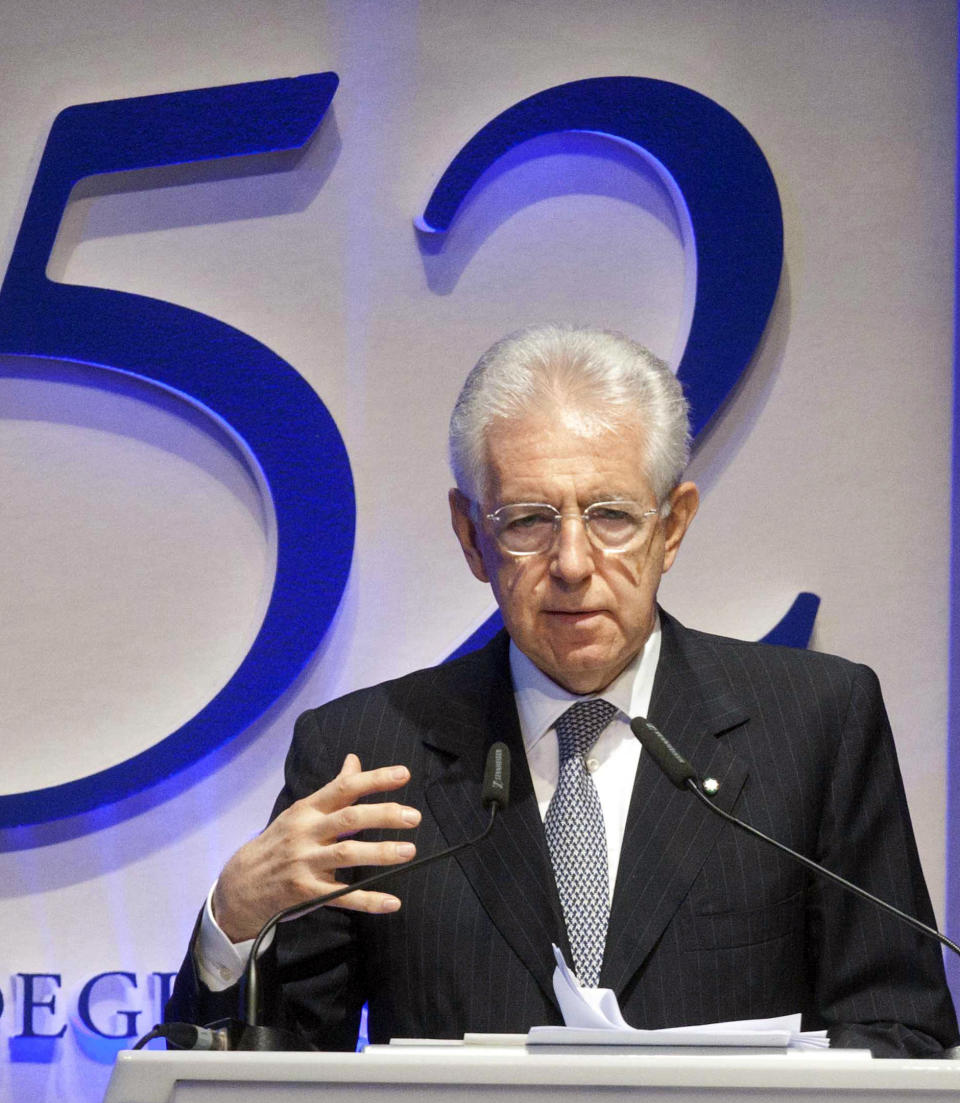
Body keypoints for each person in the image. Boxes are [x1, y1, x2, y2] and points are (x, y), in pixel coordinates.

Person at [167, 324, 959, 1056]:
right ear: (472, 536)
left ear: (672, 526)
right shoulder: (372, 752)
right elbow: (273, 1088)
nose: (573, 562)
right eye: (528, 520)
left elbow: (902, 1031)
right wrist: (232, 925)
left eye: (610, 514)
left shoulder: (815, 725)